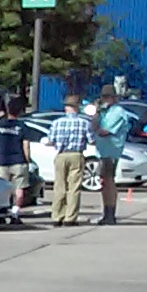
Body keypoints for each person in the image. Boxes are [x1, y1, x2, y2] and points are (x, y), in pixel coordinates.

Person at [44, 92, 94, 226]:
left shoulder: (57, 123)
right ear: (77, 107)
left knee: (59, 186)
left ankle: (57, 216)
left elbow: (50, 141)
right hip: (76, 154)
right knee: (74, 188)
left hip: (61, 155)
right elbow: (92, 140)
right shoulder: (84, 123)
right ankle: (70, 218)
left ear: (66, 107)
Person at [0, 96, 34, 224]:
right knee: (19, 189)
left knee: (2, 189)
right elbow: (26, 145)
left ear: (8, 110)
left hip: (2, 161)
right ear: (20, 112)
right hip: (18, 161)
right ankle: (15, 213)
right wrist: (27, 160)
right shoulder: (22, 126)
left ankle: (1, 214)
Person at [91, 93, 127, 224]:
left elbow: (105, 131)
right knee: (104, 182)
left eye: (107, 97)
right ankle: (106, 213)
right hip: (102, 152)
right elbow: (94, 126)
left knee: (109, 181)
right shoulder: (104, 112)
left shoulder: (118, 112)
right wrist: (95, 114)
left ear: (114, 98)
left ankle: (110, 215)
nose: (104, 100)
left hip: (111, 152)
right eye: (103, 97)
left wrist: (95, 127)